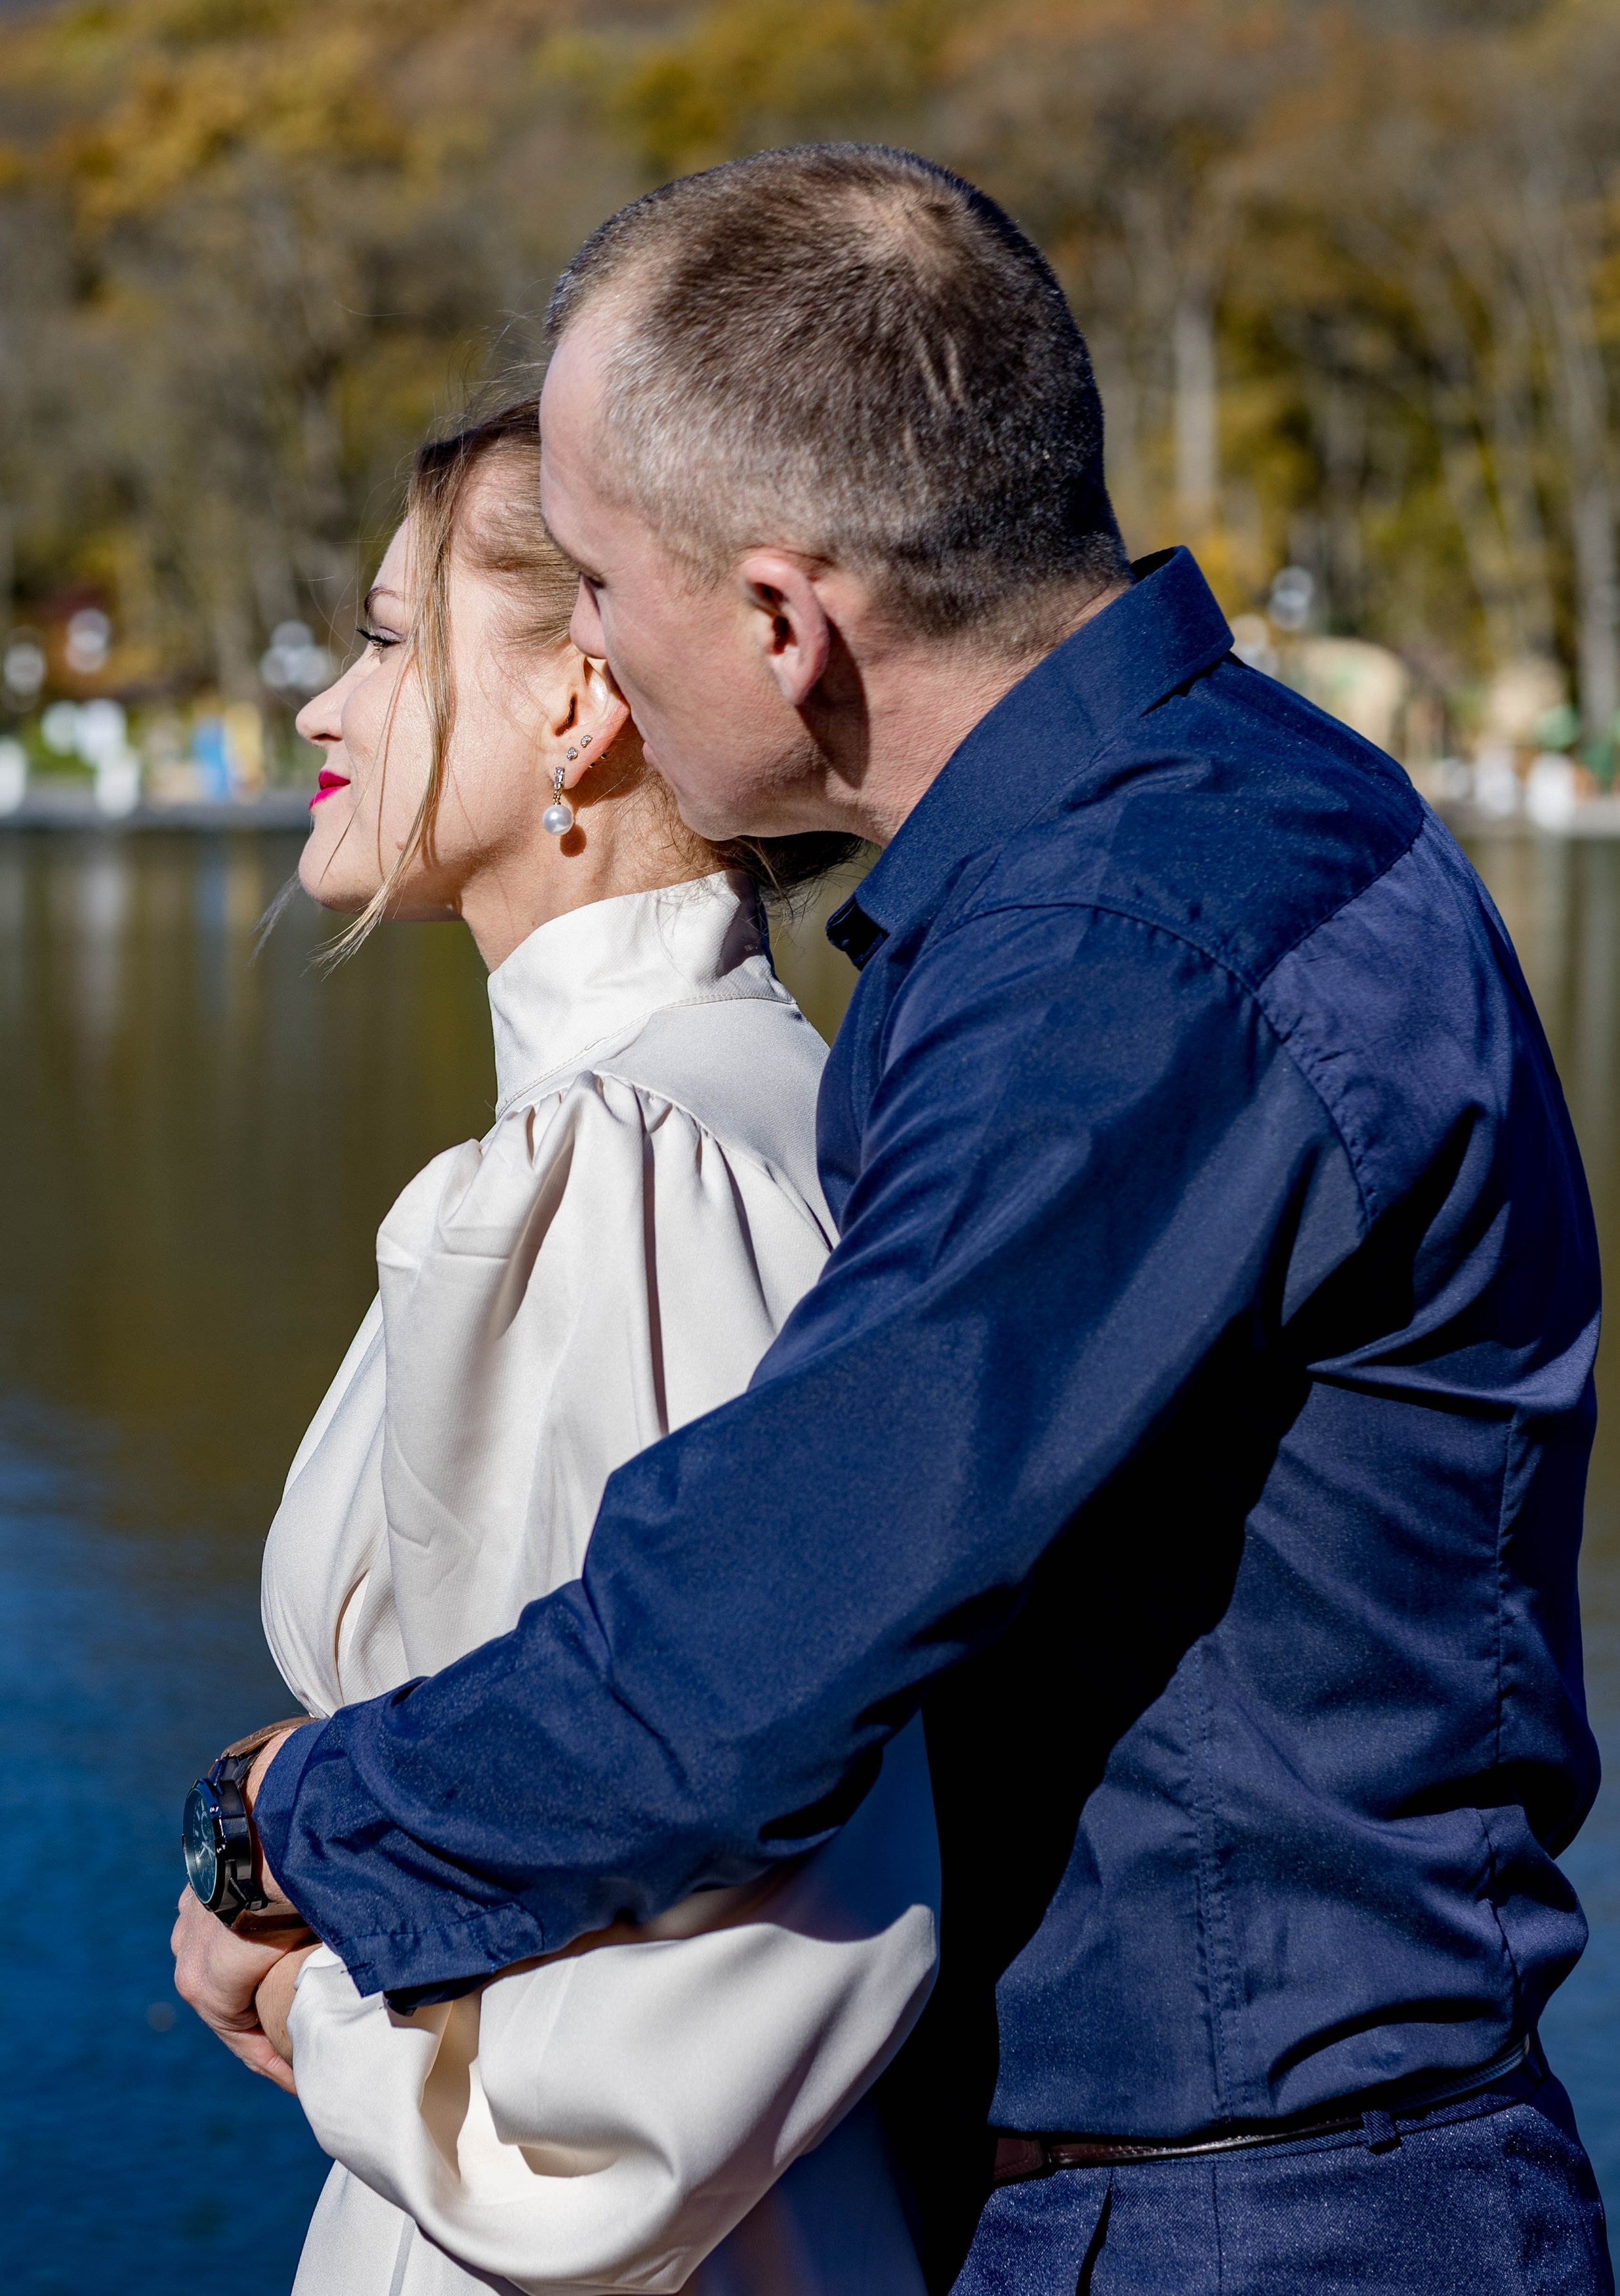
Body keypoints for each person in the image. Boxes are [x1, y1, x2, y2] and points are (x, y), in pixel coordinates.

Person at [177, 145, 1613, 2293]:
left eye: (604, 580)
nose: (596, 646)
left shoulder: (1130, 956)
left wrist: (288, 1824)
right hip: (1239, 2184)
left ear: (782, 621)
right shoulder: (1213, 829)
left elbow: (753, 1630)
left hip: (1252, 2218)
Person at [175, 398, 940, 2296]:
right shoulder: (750, 1110)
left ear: (581, 703)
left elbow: (720, 1964)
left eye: (386, 638)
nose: (326, 708)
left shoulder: (632, 1166)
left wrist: (307, 1964)